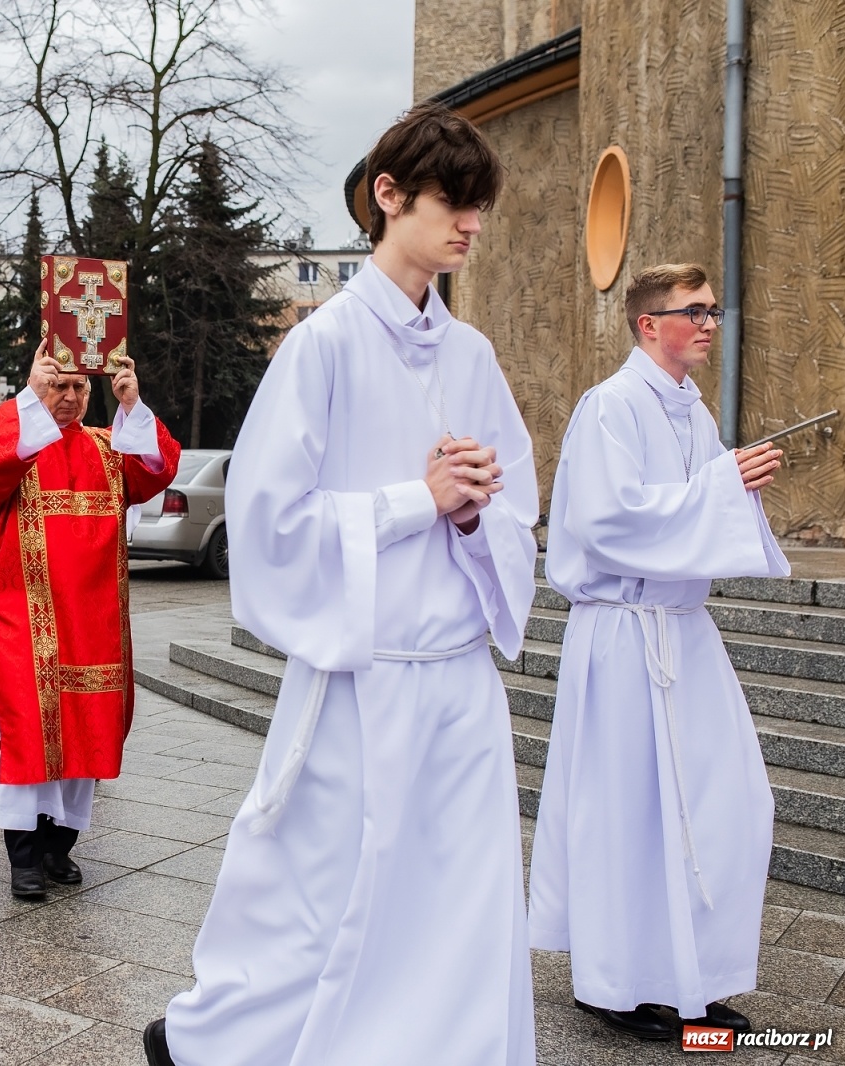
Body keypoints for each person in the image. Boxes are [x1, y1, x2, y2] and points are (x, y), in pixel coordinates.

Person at [150, 103, 538, 1066]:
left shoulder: (473, 355)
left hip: (459, 682)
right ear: (389, 195)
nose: (472, 224)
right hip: (364, 676)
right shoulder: (323, 344)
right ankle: (213, 1044)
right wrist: (416, 500)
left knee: (460, 902)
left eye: (480, 206)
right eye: (454, 201)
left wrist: (476, 513)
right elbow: (270, 523)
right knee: (320, 896)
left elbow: (518, 507)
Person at [528, 264, 789, 1041]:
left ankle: (692, 979)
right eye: (693, 312)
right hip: (623, 634)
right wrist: (722, 486)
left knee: (726, 803)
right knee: (626, 812)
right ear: (649, 324)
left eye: (713, 311)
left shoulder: (692, 412)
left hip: (682, 631)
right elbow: (608, 520)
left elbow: (693, 514)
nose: (709, 324)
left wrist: (733, 483)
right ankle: (613, 981)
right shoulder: (610, 406)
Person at [0, 342, 180, 900]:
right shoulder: (21, 446)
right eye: (57, 386)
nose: (68, 396)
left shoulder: (109, 448)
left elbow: (159, 468)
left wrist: (132, 404)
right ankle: (23, 856)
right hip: (25, 621)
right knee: (26, 734)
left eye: (78, 387)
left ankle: (58, 846)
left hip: (93, 626)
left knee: (88, 732)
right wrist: (29, 393)